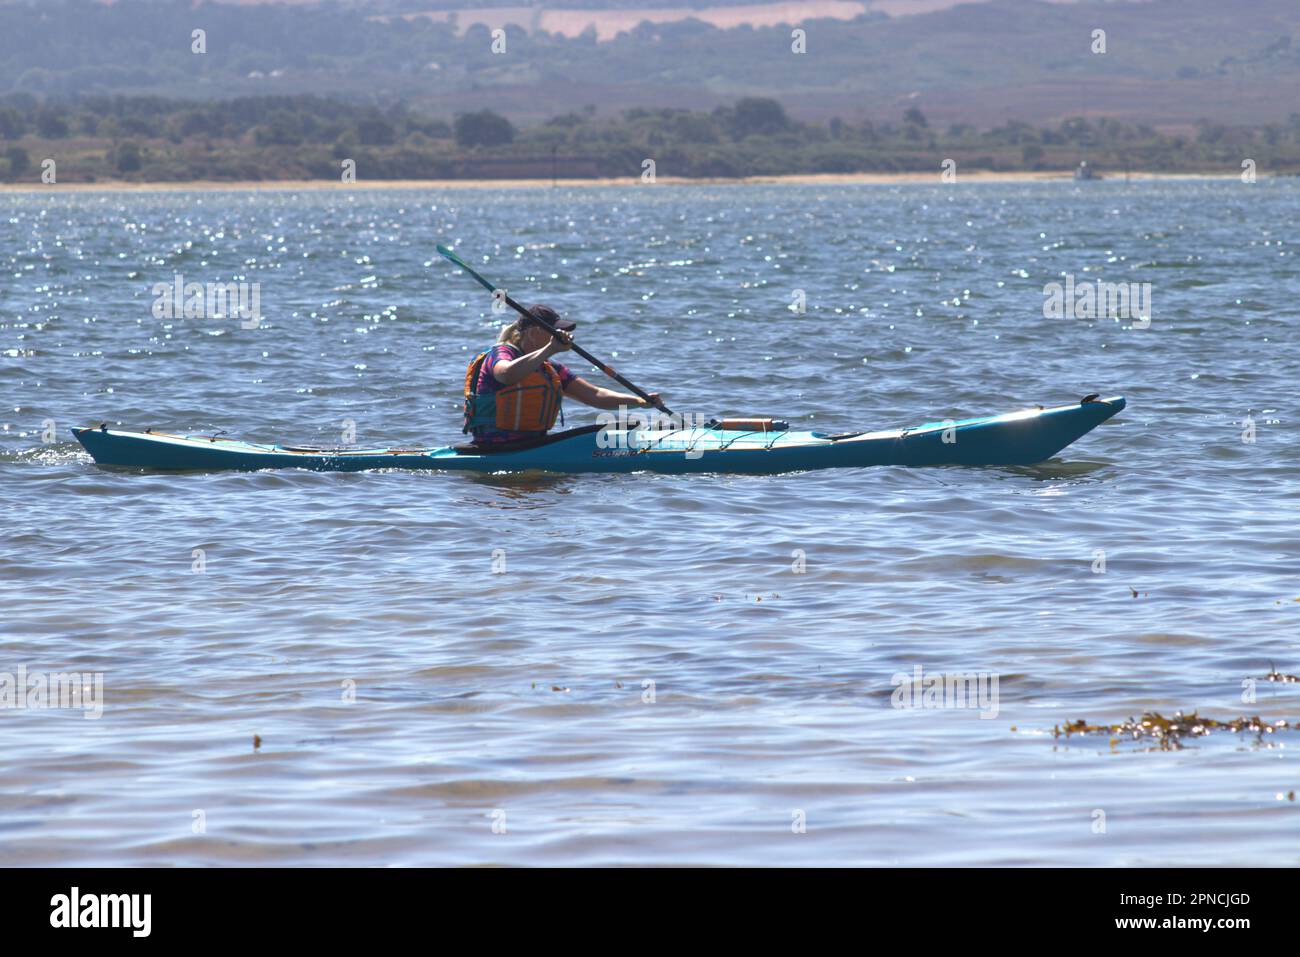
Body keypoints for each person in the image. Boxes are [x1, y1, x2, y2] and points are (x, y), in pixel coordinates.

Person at [463, 304, 661, 445]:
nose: (559, 335)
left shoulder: (549, 368)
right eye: (555, 331)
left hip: (532, 444)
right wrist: (550, 349)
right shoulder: (501, 353)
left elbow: (595, 395)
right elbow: (505, 374)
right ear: (534, 332)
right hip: (497, 447)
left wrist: (639, 401)